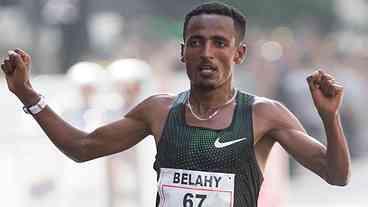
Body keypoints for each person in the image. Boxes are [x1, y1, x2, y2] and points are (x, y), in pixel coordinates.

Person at [1, 2, 351, 207]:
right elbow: (82, 147)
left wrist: (329, 117)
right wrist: (28, 95)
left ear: (239, 53)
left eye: (219, 43)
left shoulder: (263, 114)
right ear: (183, 52)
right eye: (196, 42)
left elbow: (336, 175)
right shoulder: (159, 111)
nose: (207, 53)